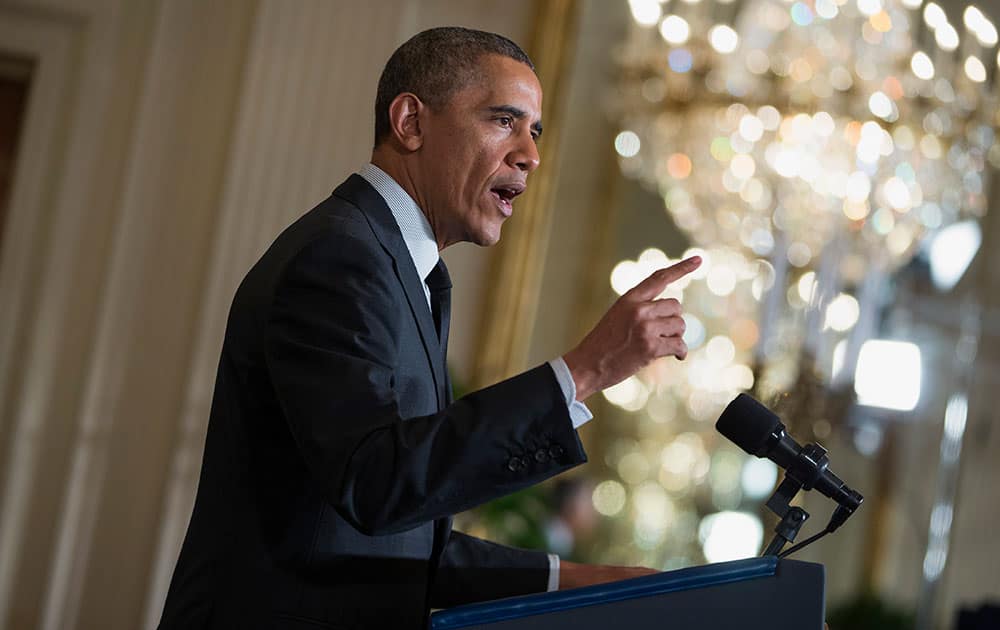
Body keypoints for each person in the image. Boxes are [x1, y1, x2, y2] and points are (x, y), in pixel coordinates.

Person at [158, 26, 699, 629]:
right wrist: (587, 368)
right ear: (411, 122)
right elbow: (378, 483)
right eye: (504, 120)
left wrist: (578, 579)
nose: (530, 153)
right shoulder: (340, 258)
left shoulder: (404, 270)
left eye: (535, 130)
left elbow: (402, 541)